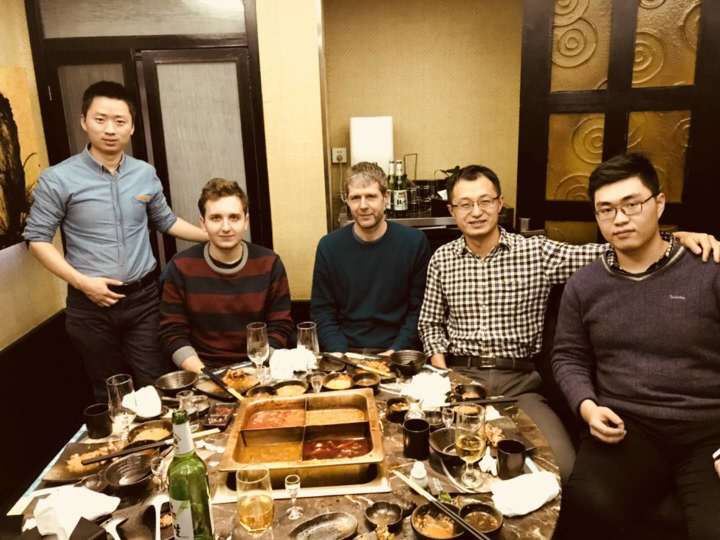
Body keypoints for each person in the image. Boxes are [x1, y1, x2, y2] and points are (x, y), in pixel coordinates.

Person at [418, 164, 719, 481]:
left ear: (500, 203)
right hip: (459, 379)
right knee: (436, 463)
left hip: (519, 386)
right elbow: (430, 323)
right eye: (465, 204)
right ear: (452, 211)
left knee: (562, 467)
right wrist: (444, 377)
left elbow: (618, 248)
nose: (476, 212)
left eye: (485, 201)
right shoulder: (442, 259)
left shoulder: (536, 252)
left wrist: (676, 239)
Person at [552, 153, 720, 540]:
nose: (620, 219)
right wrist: (588, 407)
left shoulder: (709, 269)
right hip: (628, 426)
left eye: (632, 204)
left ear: (658, 204)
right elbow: (568, 355)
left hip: (709, 431)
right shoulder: (585, 284)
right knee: (584, 505)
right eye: (606, 209)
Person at [23, 81, 207, 400]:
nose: (110, 129)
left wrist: (210, 235)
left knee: (157, 383)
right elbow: (37, 239)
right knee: (110, 390)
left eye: (119, 121)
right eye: (100, 119)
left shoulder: (144, 173)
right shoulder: (58, 178)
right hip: (90, 305)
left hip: (143, 299)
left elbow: (165, 221)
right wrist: (82, 282)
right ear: (84, 121)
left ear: (131, 127)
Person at [159, 178, 293, 373]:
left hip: (258, 368)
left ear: (246, 222)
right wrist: (206, 375)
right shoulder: (180, 266)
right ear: (203, 223)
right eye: (216, 218)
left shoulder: (269, 263)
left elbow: (280, 325)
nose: (226, 227)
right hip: (202, 372)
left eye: (234, 217)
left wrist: (257, 367)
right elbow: (172, 333)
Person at [311, 162, 431, 354]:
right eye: (355, 198)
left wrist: (396, 351)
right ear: (347, 201)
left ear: (386, 198)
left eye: (371, 196)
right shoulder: (329, 247)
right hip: (345, 350)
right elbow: (322, 311)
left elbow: (419, 310)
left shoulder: (414, 242)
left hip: (398, 351)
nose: (363, 206)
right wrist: (339, 353)